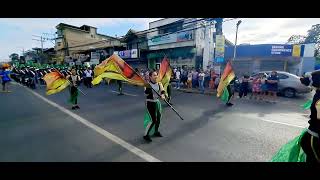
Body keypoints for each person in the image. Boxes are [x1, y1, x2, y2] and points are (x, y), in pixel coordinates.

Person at [143, 70, 166, 142]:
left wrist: (162, 95)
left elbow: (162, 91)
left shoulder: (159, 83)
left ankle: (156, 131)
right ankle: (145, 135)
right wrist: (149, 89)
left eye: (156, 75)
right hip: (150, 103)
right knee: (153, 120)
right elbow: (145, 94)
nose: (156, 76)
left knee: (159, 118)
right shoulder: (147, 84)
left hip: (157, 102)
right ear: (150, 77)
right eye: (154, 75)